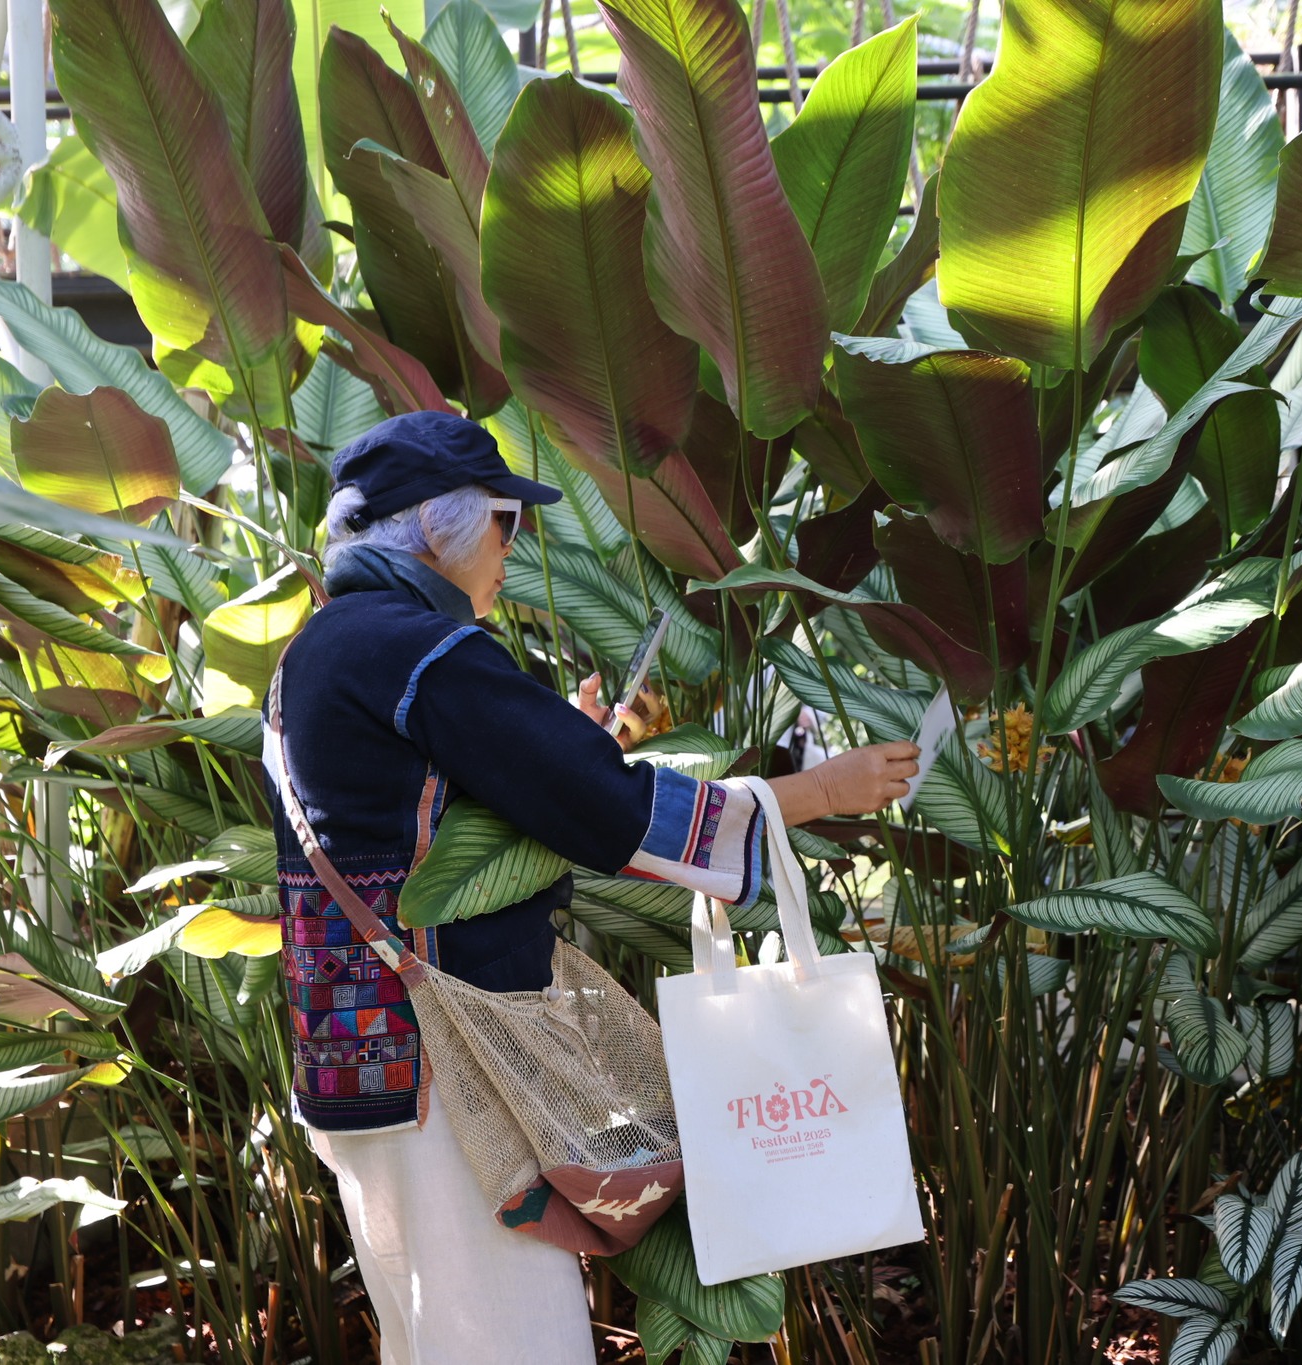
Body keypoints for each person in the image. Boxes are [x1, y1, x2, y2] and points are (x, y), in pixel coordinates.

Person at [260, 411, 918, 1365]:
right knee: (515, 1344)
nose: (511, 549)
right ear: (439, 525)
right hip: (450, 1072)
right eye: (504, 523)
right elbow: (602, 808)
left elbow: (408, 812)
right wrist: (817, 791)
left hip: (353, 1063)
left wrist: (562, 740)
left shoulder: (316, 650)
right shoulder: (423, 651)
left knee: (430, 1338)